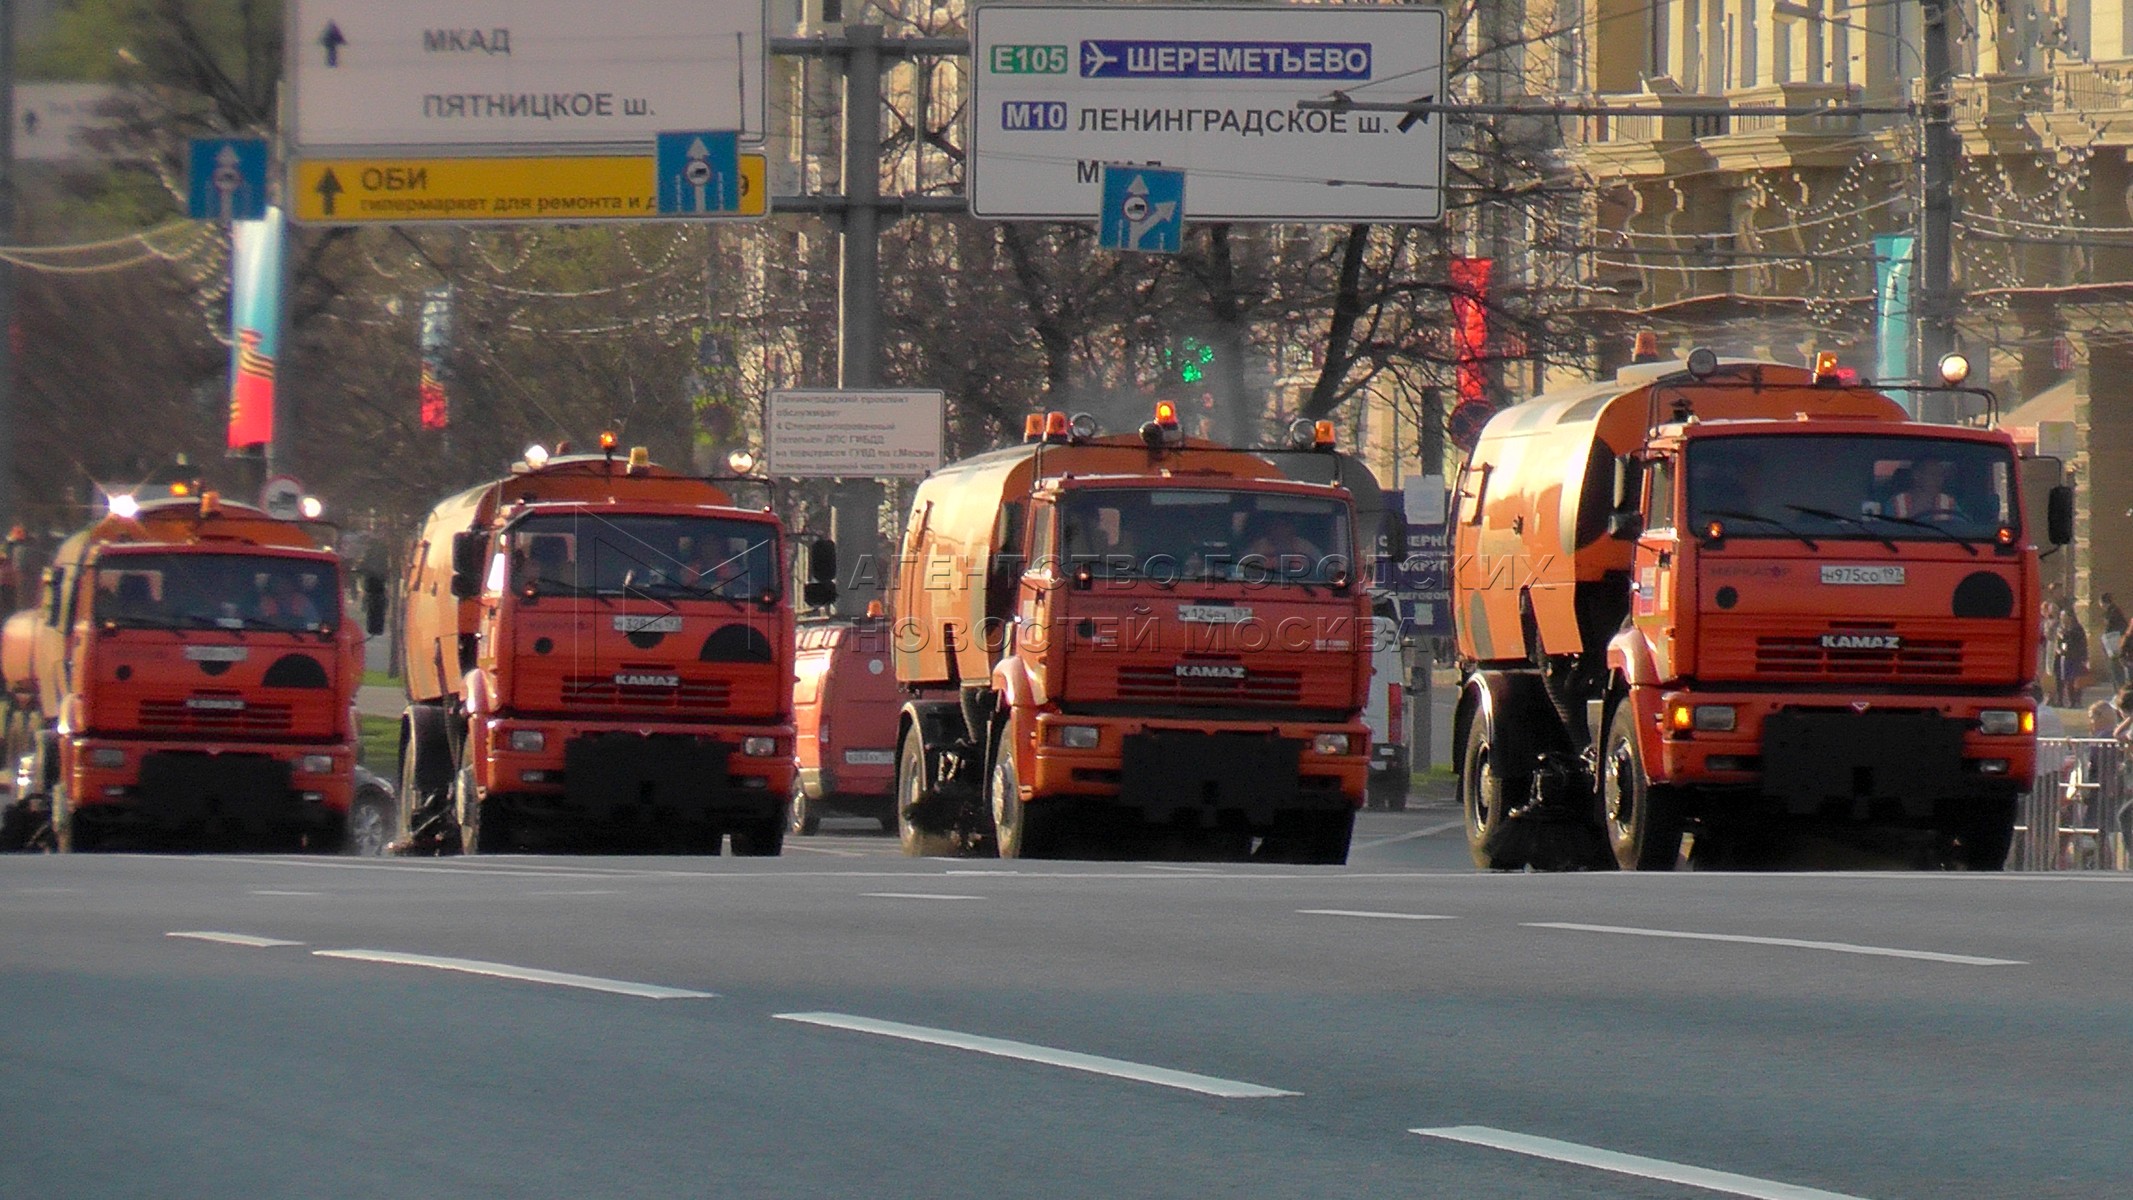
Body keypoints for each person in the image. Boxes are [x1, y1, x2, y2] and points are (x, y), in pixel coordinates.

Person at [1890, 458, 1959, 519]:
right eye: (1933, 474)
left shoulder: (1949, 503)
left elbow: (1961, 527)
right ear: (1916, 475)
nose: (1938, 479)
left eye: (1940, 475)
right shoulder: (1897, 502)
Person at [2052, 604, 2091, 708]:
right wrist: (2058, 649)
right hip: (2063, 657)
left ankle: (2075, 701)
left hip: (2075, 658)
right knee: (2064, 679)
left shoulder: (2077, 629)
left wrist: (2065, 635)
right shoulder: (2061, 628)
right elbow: (2060, 643)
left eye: (2064, 616)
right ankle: (2064, 700)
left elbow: (2079, 643)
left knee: (2074, 681)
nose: (2062, 619)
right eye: (2061, 617)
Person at [255, 573, 321, 629]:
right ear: (272, 585)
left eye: (286, 583)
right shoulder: (265, 602)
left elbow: (314, 624)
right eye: (278, 583)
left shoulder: (303, 601)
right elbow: (256, 624)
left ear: (293, 585)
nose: (282, 586)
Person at [2099, 593, 2128, 690]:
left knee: (2116, 669)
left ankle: (2119, 690)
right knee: (2116, 669)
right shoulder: (2115, 611)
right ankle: (2119, 689)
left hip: (2114, 645)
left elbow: (2110, 629)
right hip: (2117, 644)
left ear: (2102, 603)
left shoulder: (2112, 613)